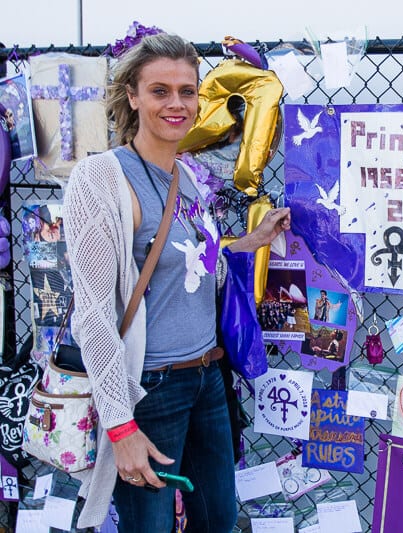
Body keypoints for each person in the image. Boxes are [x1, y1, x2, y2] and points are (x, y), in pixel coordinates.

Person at [63, 33, 290, 531]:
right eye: (160, 90)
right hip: (150, 390)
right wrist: (122, 426)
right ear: (133, 96)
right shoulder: (101, 179)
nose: (176, 104)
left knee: (218, 521)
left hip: (208, 378)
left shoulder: (187, 178)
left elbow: (196, 262)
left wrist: (253, 241)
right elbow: (95, 314)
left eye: (187, 91)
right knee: (150, 526)